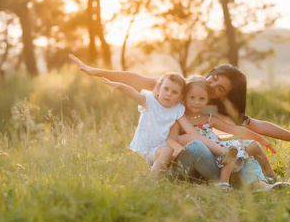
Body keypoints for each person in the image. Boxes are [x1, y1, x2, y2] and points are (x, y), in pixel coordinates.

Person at [68, 53, 290, 184]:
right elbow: (136, 79)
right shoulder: (181, 88)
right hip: (176, 152)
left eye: (219, 88)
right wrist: (95, 71)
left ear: (226, 96)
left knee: (242, 148)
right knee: (202, 145)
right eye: (213, 78)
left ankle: (260, 182)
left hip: (204, 154)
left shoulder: (217, 111)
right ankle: (226, 180)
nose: (211, 86)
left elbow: (254, 125)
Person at [99, 72, 237, 178]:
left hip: (166, 146)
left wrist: (196, 138)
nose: (169, 94)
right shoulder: (150, 102)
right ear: (159, 88)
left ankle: (223, 153)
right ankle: (152, 179)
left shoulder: (177, 109)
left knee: (193, 137)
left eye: (174, 92)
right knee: (168, 150)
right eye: (166, 89)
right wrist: (121, 86)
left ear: (180, 96)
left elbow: (191, 131)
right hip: (151, 149)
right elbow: (134, 94)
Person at [168, 75, 277, 190]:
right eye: (192, 98)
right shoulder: (180, 119)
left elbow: (234, 129)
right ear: (184, 97)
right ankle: (225, 182)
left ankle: (272, 175)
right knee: (236, 148)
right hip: (208, 155)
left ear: (208, 99)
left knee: (253, 144)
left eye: (202, 99)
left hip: (220, 148)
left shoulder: (209, 118)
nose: (196, 102)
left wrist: (259, 137)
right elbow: (173, 139)